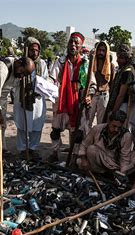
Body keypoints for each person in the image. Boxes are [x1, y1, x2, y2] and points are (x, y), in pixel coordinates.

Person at [0, 56, 35, 159]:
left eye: (24, 75)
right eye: (22, 72)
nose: (21, 76)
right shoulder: (2, 68)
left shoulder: (16, 69)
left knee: (2, 127)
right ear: (18, 63)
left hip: (1, 101)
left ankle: (2, 149)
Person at [48, 32, 89, 162]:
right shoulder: (60, 61)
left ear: (81, 46)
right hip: (61, 101)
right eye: (71, 42)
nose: (72, 45)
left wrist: (89, 96)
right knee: (55, 130)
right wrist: (48, 87)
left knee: (77, 133)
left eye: (76, 42)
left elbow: (91, 83)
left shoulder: (85, 63)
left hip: (78, 101)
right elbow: (52, 78)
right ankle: (55, 153)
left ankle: (75, 156)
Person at [77, 110, 135, 176]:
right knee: (91, 150)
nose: (116, 130)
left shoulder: (126, 135)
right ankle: (101, 172)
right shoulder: (97, 129)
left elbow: (125, 157)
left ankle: (114, 173)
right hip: (100, 160)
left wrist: (122, 173)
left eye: (119, 127)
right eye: (114, 126)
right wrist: (83, 159)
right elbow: (84, 145)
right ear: (109, 122)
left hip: (115, 163)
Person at [13, 37, 48, 158]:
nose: (35, 53)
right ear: (26, 49)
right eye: (32, 50)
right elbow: (14, 81)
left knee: (37, 125)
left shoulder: (42, 64)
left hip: (37, 99)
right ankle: (23, 149)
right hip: (22, 98)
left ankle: (33, 148)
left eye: (37, 50)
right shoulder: (19, 63)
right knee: (22, 124)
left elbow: (44, 80)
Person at [104, 45, 135, 124]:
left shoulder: (128, 71)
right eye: (118, 57)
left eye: (121, 58)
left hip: (121, 107)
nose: (117, 60)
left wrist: (113, 113)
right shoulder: (123, 69)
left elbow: (121, 95)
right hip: (115, 104)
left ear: (127, 58)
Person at [85, 41, 113, 128]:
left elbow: (111, 83)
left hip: (104, 96)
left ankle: (98, 141)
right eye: (99, 50)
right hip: (92, 95)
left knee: (101, 123)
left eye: (103, 50)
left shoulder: (110, 66)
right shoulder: (91, 63)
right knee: (88, 120)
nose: (101, 52)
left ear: (106, 52)